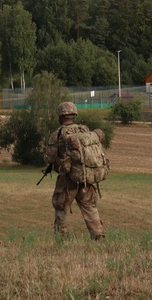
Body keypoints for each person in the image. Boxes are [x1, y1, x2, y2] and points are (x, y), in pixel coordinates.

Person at [43, 101, 107, 240]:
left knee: (61, 207)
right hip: (86, 176)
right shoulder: (84, 130)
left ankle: (61, 238)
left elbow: (49, 157)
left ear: (61, 116)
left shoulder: (58, 133)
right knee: (90, 207)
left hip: (68, 179)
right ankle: (98, 236)